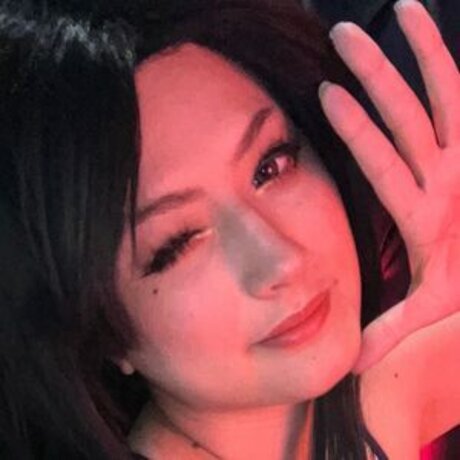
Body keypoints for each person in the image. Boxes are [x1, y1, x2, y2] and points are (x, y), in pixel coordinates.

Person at [0, 1, 459, 459]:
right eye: (177, 243)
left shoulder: (373, 397)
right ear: (97, 325)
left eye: (271, 167)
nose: (282, 260)